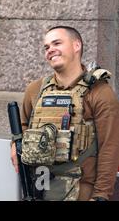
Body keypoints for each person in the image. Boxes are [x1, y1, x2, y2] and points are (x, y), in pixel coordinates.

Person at [10, 26, 119, 201]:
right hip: (38, 188)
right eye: (46, 47)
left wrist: (101, 195)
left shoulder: (99, 92)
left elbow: (110, 147)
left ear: (76, 46)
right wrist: (14, 145)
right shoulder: (35, 89)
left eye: (57, 43)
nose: (50, 50)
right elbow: (23, 126)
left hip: (81, 191)